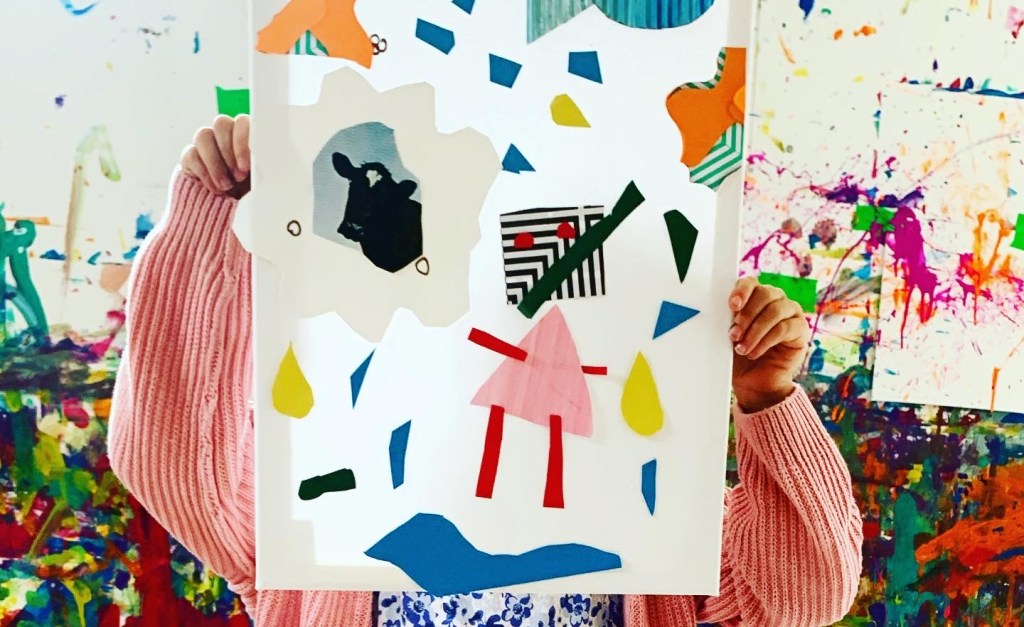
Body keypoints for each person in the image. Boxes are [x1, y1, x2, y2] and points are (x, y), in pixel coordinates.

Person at [108, 115, 863, 627]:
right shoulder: (332, 507)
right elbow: (177, 466)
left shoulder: (647, 518)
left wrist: (767, 398)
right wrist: (225, 216)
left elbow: (804, 592)